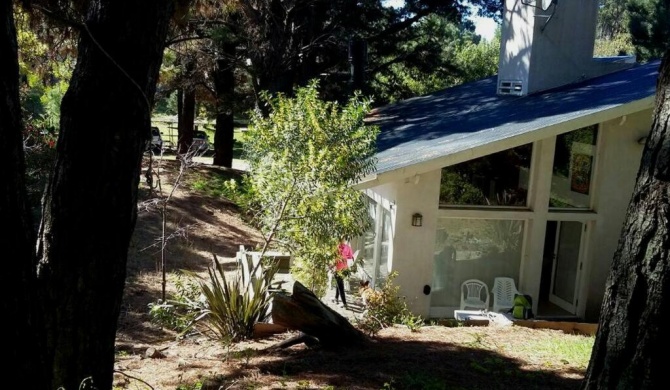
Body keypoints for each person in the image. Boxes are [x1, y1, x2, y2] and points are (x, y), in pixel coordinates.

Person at [332, 237, 354, 308]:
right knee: (339, 284)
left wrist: (331, 266)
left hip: (338, 269)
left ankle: (344, 304)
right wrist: (345, 257)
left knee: (340, 286)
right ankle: (336, 298)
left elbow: (333, 259)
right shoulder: (347, 247)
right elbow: (350, 257)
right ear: (344, 240)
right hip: (345, 269)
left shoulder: (336, 247)